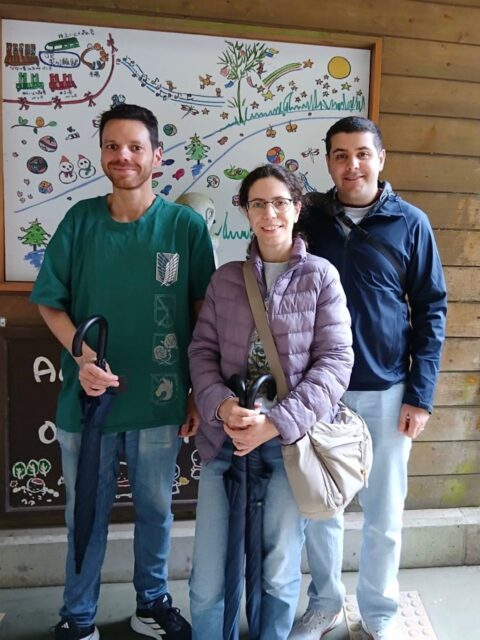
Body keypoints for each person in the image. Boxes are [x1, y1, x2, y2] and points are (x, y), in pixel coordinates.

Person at [30, 103, 215, 640]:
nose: (123, 156)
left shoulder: (183, 227)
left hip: (159, 398)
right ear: (102, 154)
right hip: (86, 400)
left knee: (156, 509)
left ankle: (151, 603)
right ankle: (78, 616)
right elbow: (49, 302)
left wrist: (194, 393)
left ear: (157, 155)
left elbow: (202, 316)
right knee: (85, 511)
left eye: (135, 146)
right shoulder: (81, 220)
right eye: (112, 146)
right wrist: (83, 358)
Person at [289, 116, 447, 640]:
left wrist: (420, 395)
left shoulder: (411, 222)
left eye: (362, 153)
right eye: (340, 155)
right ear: (328, 161)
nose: (351, 164)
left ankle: (379, 611)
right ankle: (325, 604)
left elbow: (431, 309)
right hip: (319, 390)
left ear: (380, 158)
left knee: (384, 511)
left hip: (388, 389)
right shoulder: (308, 219)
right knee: (322, 507)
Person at [188, 164, 354, 640]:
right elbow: (201, 352)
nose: (270, 214)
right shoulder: (225, 280)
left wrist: (276, 422)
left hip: (288, 448)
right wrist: (223, 406)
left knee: (278, 570)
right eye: (258, 204)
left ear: (297, 209)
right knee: (208, 576)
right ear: (245, 211)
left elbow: (336, 362)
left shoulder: (321, 277)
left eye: (280, 202)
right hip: (225, 442)